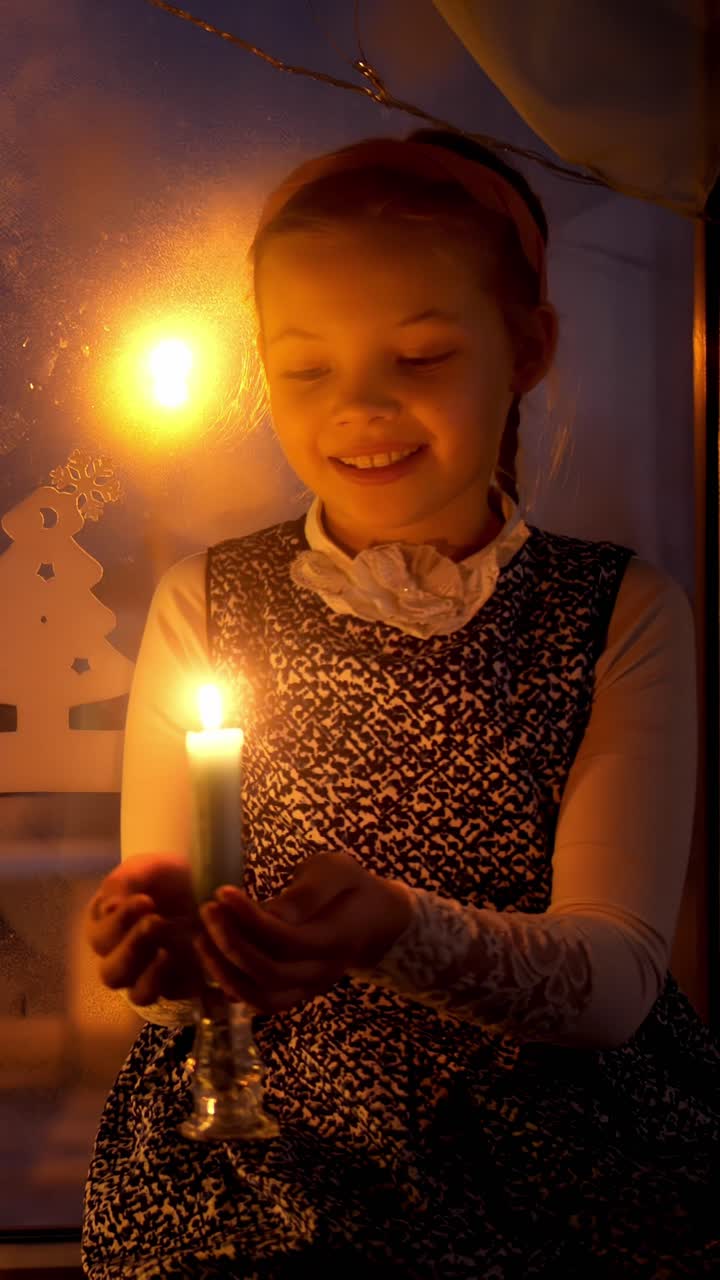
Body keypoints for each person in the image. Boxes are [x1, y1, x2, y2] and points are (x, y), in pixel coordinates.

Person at [81, 129, 720, 1278]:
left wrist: (398, 929)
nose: (359, 408)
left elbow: (619, 979)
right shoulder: (208, 601)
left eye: (419, 356)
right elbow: (179, 957)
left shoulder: (616, 612)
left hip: (564, 1191)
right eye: (306, 368)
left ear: (526, 349)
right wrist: (167, 963)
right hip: (265, 1183)